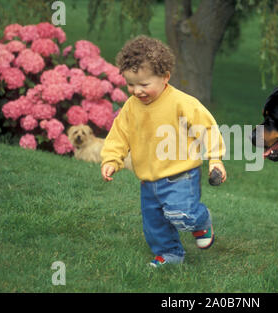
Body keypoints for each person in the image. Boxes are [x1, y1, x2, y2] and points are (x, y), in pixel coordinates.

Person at [101, 35, 227, 267]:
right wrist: (112, 159)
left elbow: (207, 128)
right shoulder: (131, 107)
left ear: (165, 78)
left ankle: (201, 220)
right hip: (149, 179)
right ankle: (170, 254)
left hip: (181, 174)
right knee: (155, 222)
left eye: (144, 84)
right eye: (130, 84)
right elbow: (119, 134)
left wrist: (215, 159)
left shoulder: (181, 103)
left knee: (182, 215)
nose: (137, 91)